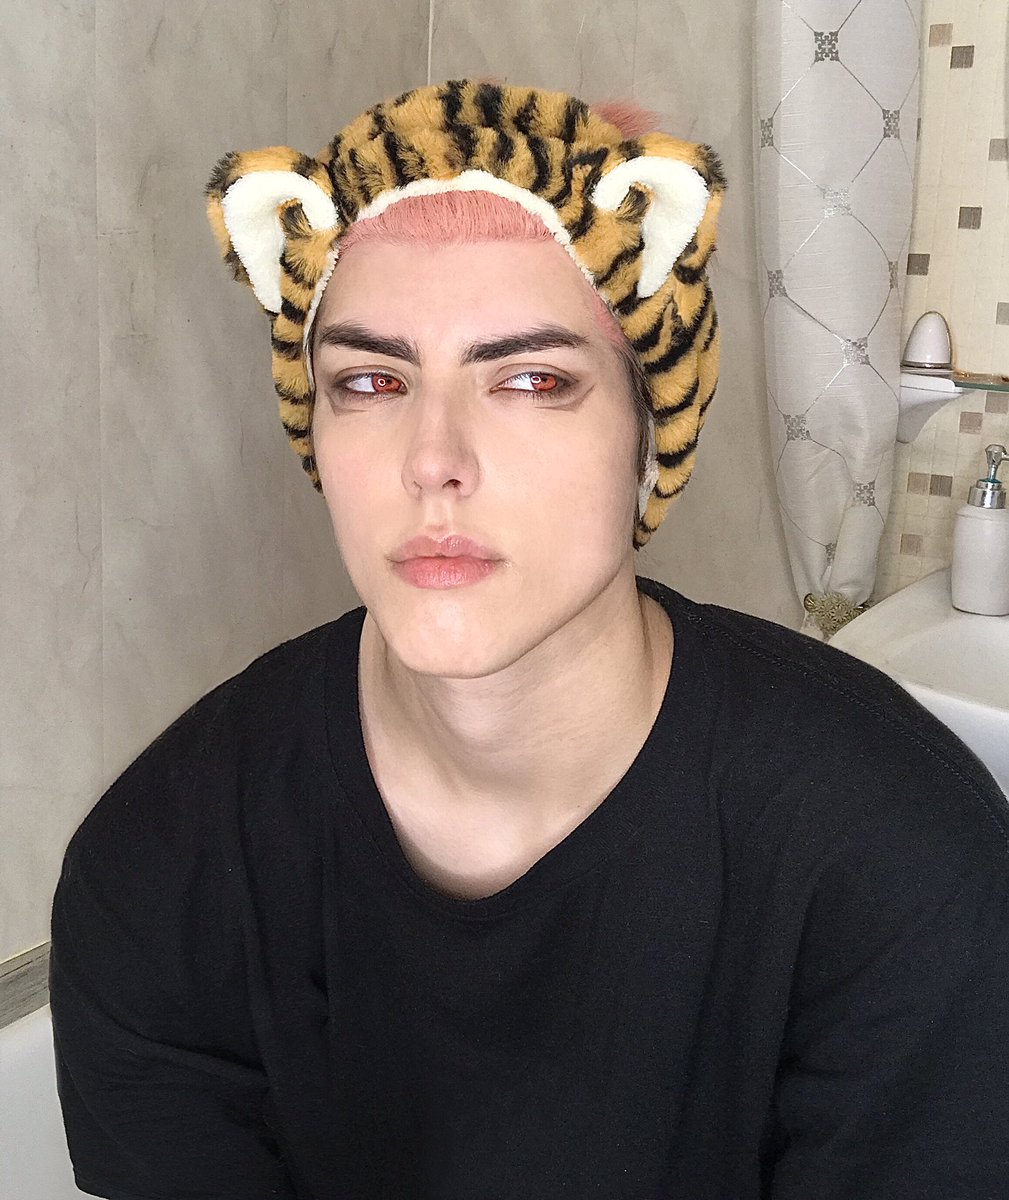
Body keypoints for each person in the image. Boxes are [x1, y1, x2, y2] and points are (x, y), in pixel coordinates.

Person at [50, 80, 1009, 1200]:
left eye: (531, 379)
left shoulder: (901, 860)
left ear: (651, 432)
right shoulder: (159, 865)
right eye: (370, 380)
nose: (433, 460)